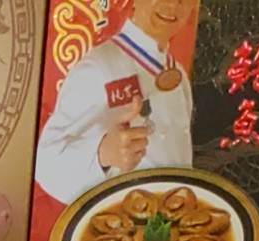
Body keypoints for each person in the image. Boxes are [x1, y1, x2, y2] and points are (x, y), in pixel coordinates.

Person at [33, 0, 198, 213]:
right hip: (121, 224)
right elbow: (46, 167)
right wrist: (103, 154)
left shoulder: (178, 74)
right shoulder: (99, 67)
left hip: (174, 221)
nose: (174, 4)